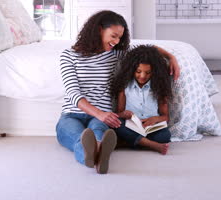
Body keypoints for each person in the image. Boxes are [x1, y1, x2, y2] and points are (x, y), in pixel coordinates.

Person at [56, 10, 180, 174]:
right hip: (72, 113)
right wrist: (100, 114)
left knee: (97, 135)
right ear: (100, 29)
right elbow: (73, 92)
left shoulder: (115, 55)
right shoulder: (69, 55)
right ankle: (99, 158)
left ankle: (96, 154)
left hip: (103, 116)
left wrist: (171, 57)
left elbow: (146, 49)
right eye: (113, 36)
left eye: (120, 38)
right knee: (77, 137)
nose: (116, 41)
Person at [110, 45, 173, 155]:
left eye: (148, 73)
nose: (142, 76)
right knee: (118, 124)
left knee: (165, 136)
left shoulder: (159, 88)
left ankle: (128, 142)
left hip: (151, 128)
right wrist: (124, 114)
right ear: (132, 70)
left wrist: (155, 119)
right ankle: (152, 145)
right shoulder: (124, 87)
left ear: (154, 72)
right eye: (138, 72)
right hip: (132, 125)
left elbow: (165, 117)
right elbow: (119, 113)